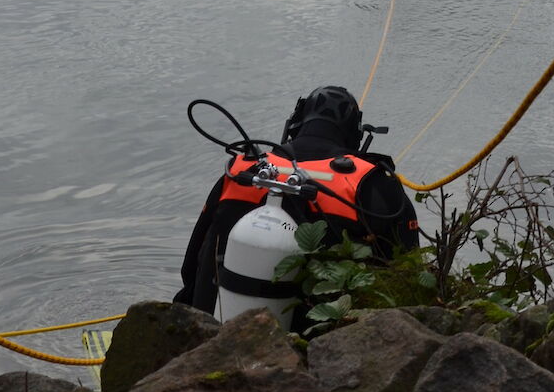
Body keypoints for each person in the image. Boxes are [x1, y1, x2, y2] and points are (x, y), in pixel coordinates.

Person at [175, 84, 418, 316]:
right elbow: (408, 271)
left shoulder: (242, 170)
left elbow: (191, 264)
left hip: (213, 327)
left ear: (295, 124)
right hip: (321, 336)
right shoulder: (373, 182)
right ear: (356, 135)